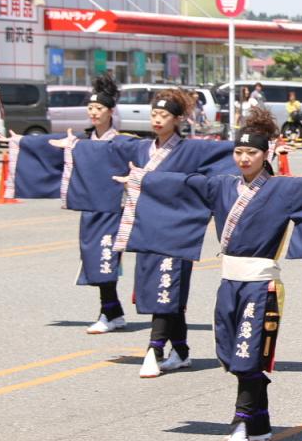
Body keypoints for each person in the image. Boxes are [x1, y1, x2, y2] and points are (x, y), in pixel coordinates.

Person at [108, 107, 302, 441]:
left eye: (252, 153)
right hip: (229, 282)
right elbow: (182, 184)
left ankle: (240, 424)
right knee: (231, 355)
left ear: (266, 153)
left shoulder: (284, 189)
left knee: (247, 354)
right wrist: (141, 181)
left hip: (261, 286)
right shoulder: (221, 186)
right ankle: (259, 422)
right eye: (239, 152)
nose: (244, 158)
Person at [55, 88, 240, 378]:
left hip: (176, 229)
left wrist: (264, 145)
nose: (157, 119)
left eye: (164, 115)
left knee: (167, 287)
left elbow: (234, 153)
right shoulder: (140, 148)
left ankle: (154, 349)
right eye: (154, 114)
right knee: (161, 289)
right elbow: (103, 151)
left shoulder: (192, 149)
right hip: (146, 227)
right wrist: (71, 146)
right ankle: (180, 350)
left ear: (177, 119)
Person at [10, 74, 129, 334]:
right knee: (94, 259)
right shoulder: (82, 141)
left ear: (110, 111)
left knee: (105, 259)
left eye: (99, 108)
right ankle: (114, 312)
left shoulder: (121, 142)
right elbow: (49, 146)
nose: (93, 113)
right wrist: (21, 142)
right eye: (91, 108)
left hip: (113, 210)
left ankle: (109, 313)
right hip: (91, 210)